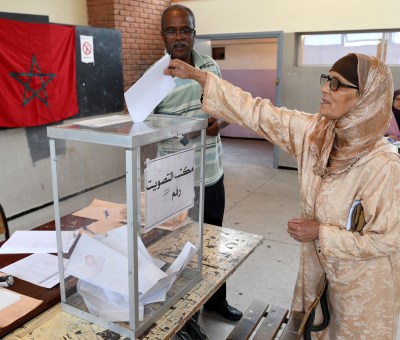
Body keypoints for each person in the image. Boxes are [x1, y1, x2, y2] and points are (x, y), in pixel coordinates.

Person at [164, 53, 400, 339]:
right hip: (318, 276)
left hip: (364, 289)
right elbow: (259, 113)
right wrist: (200, 77)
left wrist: (321, 233)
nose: (325, 88)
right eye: (327, 80)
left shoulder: (383, 164)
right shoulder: (317, 133)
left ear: (367, 98)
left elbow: (388, 239)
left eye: (337, 84)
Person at [153, 4, 243, 323]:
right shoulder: (155, 77)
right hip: (175, 180)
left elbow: (228, 110)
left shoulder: (209, 68)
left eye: (185, 30)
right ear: (163, 34)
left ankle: (217, 299)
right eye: (172, 30)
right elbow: (137, 124)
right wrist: (182, 133)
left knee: (212, 239)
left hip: (211, 173)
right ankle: (184, 315)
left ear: (194, 32)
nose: (179, 37)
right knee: (178, 248)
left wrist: (219, 124)